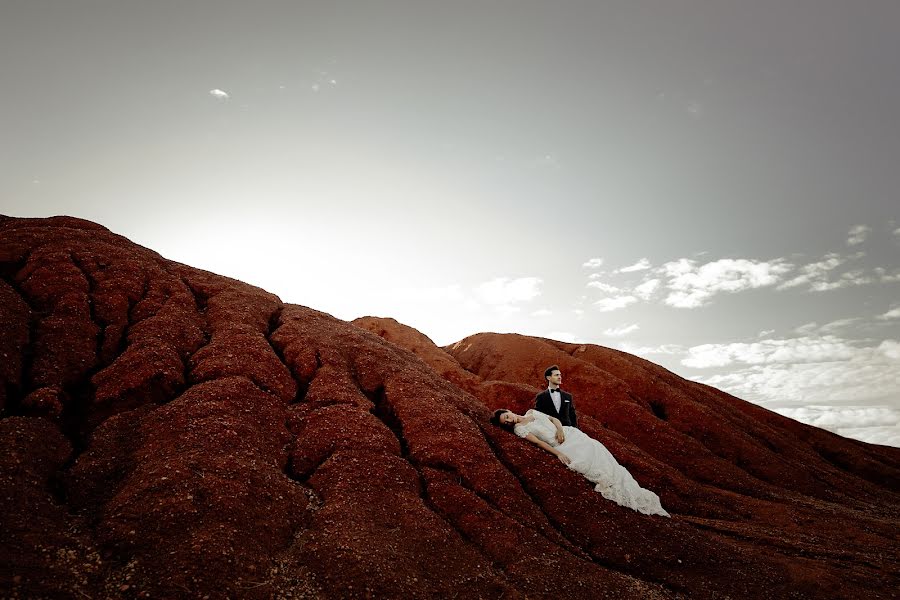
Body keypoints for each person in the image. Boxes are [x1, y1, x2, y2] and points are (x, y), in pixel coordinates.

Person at [490, 408, 670, 517]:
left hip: (568, 434)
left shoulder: (531, 412)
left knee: (596, 446)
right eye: (505, 422)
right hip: (561, 445)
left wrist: (560, 430)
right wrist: (558, 453)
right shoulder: (520, 429)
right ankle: (618, 486)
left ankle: (625, 482)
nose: (508, 420)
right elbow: (539, 442)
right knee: (589, 460)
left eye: (506, 416)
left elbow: (553, 419)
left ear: (508, 411)